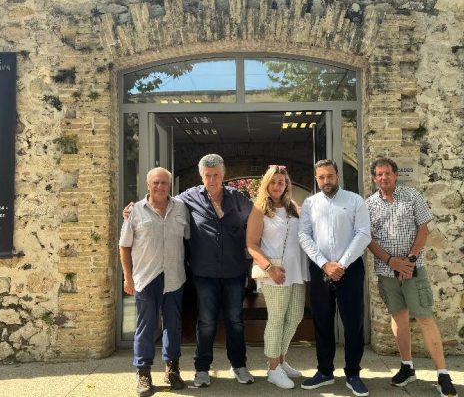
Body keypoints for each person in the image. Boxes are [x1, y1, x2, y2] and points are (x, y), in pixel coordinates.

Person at [125, 154, 254, 387]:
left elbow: (258, 217)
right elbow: (159, 203)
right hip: (202, 274)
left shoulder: (237, 198)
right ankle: (201, 369)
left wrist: (287, 208)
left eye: (216, 175)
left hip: (233, 271)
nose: (212, 180)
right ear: (201, 176)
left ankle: (239, 366)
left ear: (223, 175)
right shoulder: (188, 199)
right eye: (207, 175)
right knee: (205, 322)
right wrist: (133, 210)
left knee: (235, 321)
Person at [365, 157, 458, 397]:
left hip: (413, 268)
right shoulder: (369, 205)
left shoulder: (412, 196)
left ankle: (443, 374)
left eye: (388, 173)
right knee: (398, 317)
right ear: (374, 178)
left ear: (396, 175)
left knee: (425, 317)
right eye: (379, 174)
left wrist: (410, 259)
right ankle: (407, 366)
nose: (384, 177)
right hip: (386, 271)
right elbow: (369, 239)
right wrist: (390, 261)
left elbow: (423, 228)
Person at [298, 159, 372, 397]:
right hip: (321, 270)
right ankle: (325, 371)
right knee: (322, 322)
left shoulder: (355, 201)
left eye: (330, 176)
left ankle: (353, 373)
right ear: (316, 178)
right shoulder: (310, 203)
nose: (326, 181)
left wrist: (341, 264)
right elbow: (304, 235)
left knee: (353, 322)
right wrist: (324, 264)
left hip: (350, 270)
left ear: (337, 175)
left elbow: (364, 234)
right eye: (321, 177)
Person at [119, 167, 189, 397]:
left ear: (170, 185)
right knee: (145, 328)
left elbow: (188, 237)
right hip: (146, 279)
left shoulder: (181, 208)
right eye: (155, 183)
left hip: (174, 277)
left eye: (164, 182)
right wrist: (128, 277)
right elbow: (124, 246)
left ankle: (172, 370)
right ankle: (143, 373)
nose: (160, 186)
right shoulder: (135, 211)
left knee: (173, 326)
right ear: (148, 185)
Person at [246, 165, 310, 389]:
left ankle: (281, 361)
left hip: (296, 270)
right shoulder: (259, 209)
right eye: (273, 182)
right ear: (266, 184)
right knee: (276, 319)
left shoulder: (292, 207)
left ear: (286, 185)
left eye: (281, 182)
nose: (277, 186)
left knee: (295, 316)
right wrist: (270, 268)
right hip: (275, 272)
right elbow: (251, 244)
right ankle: (273, 369)